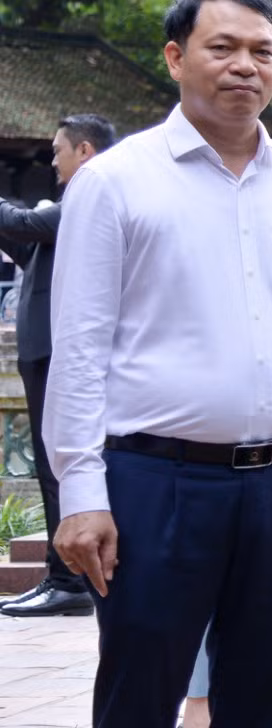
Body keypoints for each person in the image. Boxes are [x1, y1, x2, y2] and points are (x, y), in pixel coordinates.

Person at [44, 0, 272, 727]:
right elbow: (80, 347)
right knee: (141, 691)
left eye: (263, 51)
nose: (245, 65)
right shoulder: (116, 184)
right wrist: (82, 494)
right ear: (176, 56)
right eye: (223, 48)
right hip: (155, 483)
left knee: (265, 696)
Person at [0, 113, 116, 619]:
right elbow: (27, 246)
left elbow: (25, 225)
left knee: (58, 465)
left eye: (57, 151)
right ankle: (60, 575)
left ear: (84, 151)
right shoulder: (70, 207)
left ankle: (66, 579)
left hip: (57, 352)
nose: (52, 160)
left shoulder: (89, 199)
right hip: (40, 350)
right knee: (51, 464)